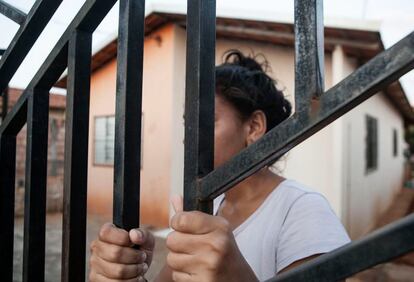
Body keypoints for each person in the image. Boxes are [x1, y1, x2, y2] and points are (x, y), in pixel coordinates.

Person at [89, 50, 350, 282]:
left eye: (206, 122)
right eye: (187, 124)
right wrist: (126, 273)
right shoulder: (208, 206)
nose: (189, 136)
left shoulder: (302, 209)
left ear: (254, 127)